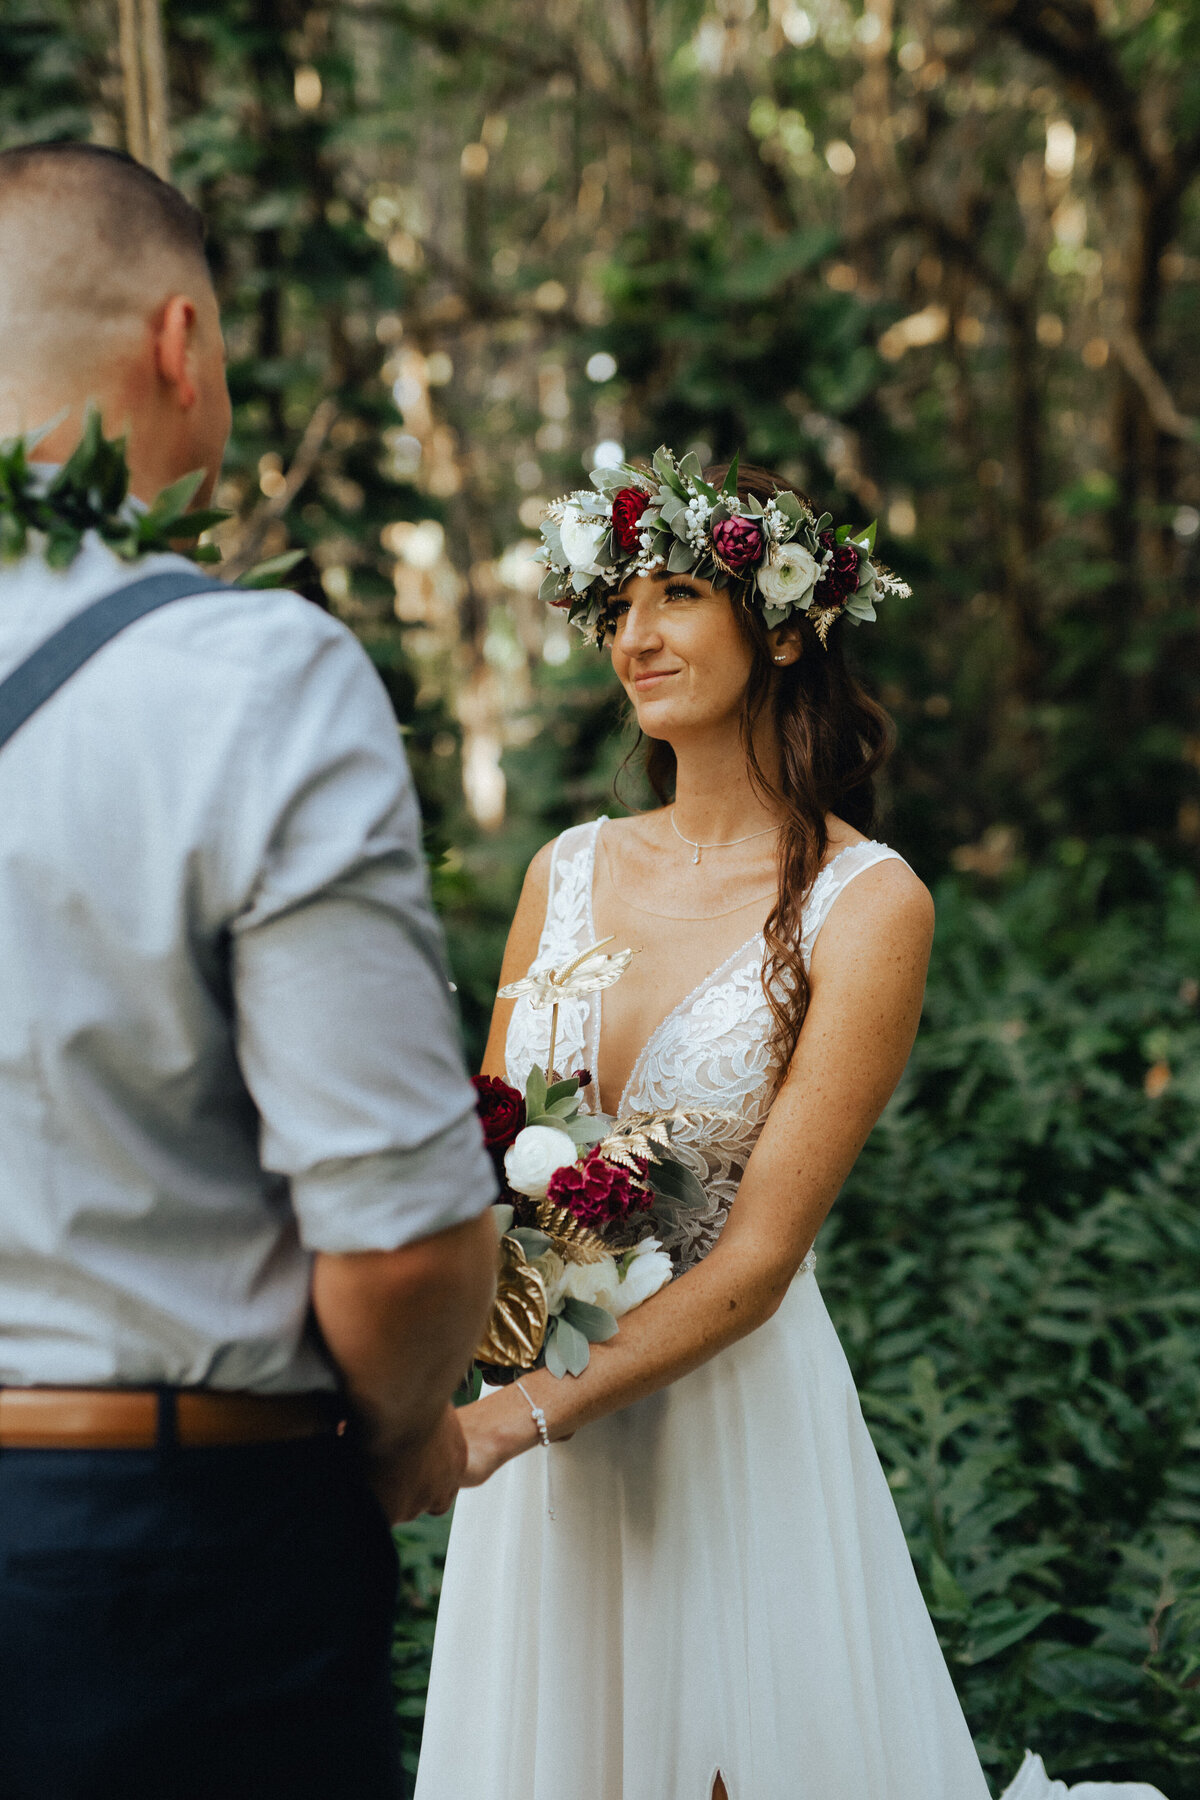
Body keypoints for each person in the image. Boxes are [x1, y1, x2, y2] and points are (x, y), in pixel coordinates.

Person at [0, 141, 496, 1800]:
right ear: (180, 344)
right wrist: (401, 1430)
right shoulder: (251, 680)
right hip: (150, 1579)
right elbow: (402, 1237)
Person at [415, 455, 994, 1800]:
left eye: (678, 593)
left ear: (785, 624)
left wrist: (519, 1421)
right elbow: (487, 1168)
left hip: (728, 1423)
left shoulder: (867, 902)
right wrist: (450, 1375)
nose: (635, 634)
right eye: (618, 603)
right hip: (540, 1399)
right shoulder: (564, 869)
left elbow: (763, 1255)